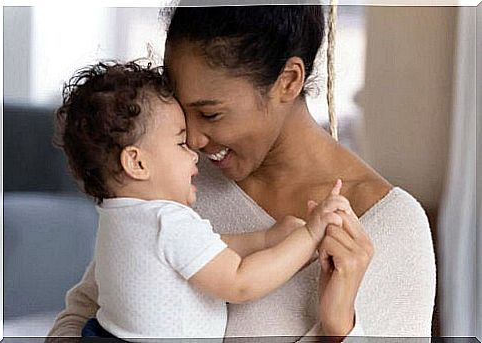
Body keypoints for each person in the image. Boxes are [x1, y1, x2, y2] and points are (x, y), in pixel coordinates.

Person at [48, 5, 436, 340]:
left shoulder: (390, 224)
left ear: (289, 81)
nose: (196, 140)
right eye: (182, 116)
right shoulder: (170, 182)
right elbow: (81, 314)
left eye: (211, 113)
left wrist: (338, 330)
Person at [54, 61, 357, 341]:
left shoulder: (120, 219)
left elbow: (208, 247)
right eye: (180, 142)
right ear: (137, 163)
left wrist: (269, 238)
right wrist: (309, 235)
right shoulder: (166, 220)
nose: (194, 152)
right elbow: (240, 281)